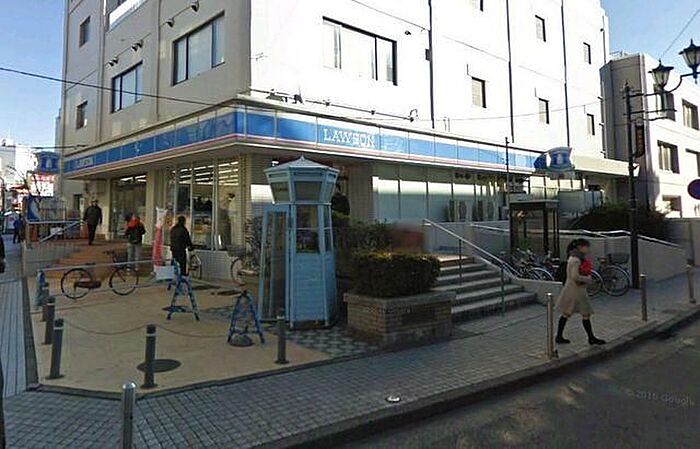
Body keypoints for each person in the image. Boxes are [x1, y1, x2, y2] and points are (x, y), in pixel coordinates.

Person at [555, 239, 606, 346]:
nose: (588, 249)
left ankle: (559, 336)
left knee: (567, 313)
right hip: (577, 290)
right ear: (580, 247)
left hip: (572, 289)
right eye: (586, 247)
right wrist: (587, 279)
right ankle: (591, 338)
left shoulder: (573, 258)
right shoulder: (576, 260)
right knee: (585, 313)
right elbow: (575, 276)